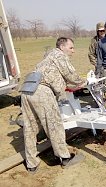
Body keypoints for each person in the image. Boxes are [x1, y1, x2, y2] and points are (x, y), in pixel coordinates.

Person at [21, 37, 87, 173]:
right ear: (62, 47)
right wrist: (83, 82)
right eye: (71, 47)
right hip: (42, 91)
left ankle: (31, 164)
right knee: (54, 125)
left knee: (30, 127)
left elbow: (57, 78)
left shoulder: (48, 57)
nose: (73, 51)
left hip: (27, 89)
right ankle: (65, 158)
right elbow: (71, 75)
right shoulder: (59, 55)